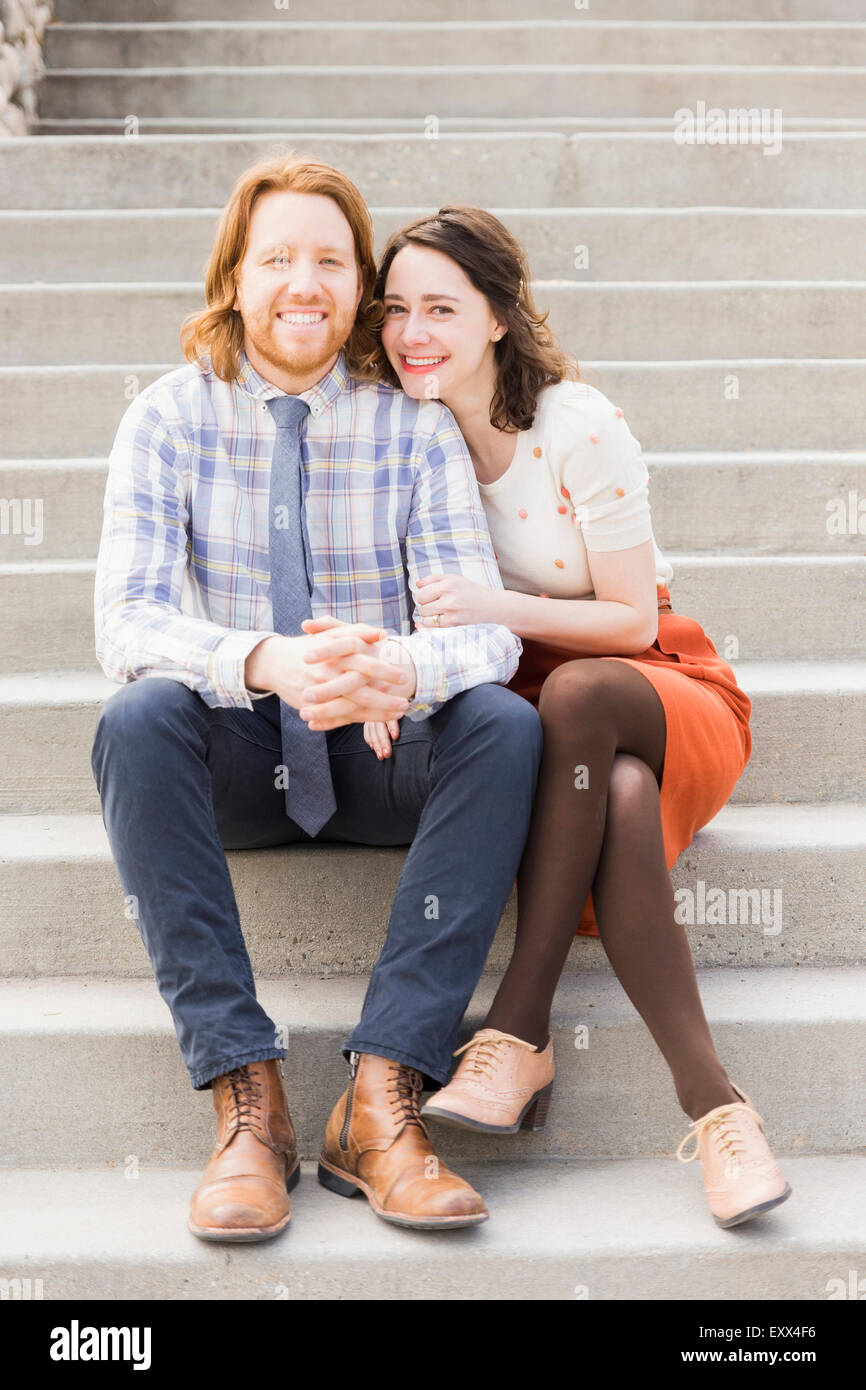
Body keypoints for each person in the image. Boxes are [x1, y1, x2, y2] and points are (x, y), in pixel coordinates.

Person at [90, 156, 544, 1241]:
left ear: (358, 287)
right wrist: (264, 660)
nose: (305, 281)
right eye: (277, 258)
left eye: (331, 259)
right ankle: (246, 1101)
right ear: (235, 279)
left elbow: (482, 628)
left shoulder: (413, 424)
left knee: (503, 720)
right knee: (136, 718)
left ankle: (382, 1098)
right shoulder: (166, 419)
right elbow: (126, 622)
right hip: (244, 756)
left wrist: (397, 666)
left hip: (376, 753)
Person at [364, 206, 791, 1229]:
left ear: (499, 317)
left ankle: (516, 1027)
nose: (412, 332)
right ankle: (717, 1110)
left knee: (579, 694)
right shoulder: (397, 436)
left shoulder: (573, 423)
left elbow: (631, 616)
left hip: (649, 683)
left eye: (440, 308)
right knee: (618, 796)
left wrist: (501, 608)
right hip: (547, 728)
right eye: (394, 310)